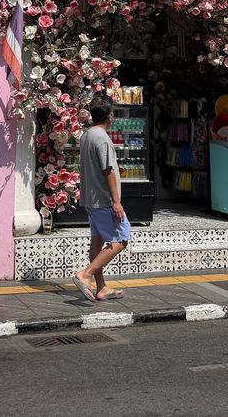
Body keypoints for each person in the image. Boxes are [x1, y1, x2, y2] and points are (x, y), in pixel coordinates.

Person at [72, 98, 129, 303]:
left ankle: (101, 287)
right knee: (121, 239)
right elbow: (108, 171)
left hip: (90, 198)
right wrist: (116, 201)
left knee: (96, 240)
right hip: (103, 199)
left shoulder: (87, 135)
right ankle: (85, 274)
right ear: (109, 116)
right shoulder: (102, 138)